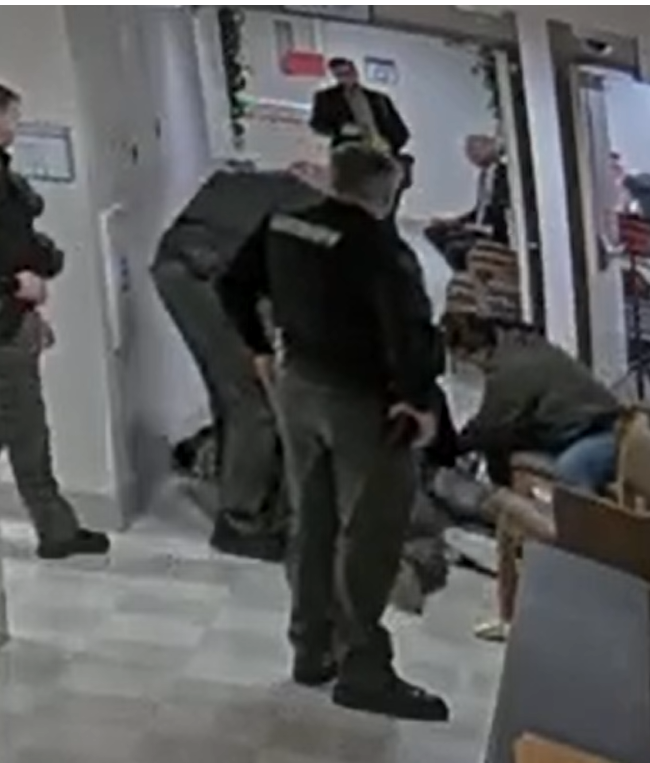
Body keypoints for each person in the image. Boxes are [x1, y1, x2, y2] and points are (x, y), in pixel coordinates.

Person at [218, 144, 449, 722]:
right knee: (369, 533)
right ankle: (363, 667)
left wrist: (257, 348)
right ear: (384, 191)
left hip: (297, 388)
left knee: (312, 521)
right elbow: (408, 333)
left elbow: (232, 282)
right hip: (361, 404)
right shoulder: (381, 249)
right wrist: (418, 401)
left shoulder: (284, 223)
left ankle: (311, 647)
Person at [0, 79, 109, 560]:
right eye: (13, 114)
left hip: (6, 313)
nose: (17, 125)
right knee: (23, 426)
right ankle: (55, 529)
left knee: (4, 422)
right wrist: (15, 283)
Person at [152, 164, 323, 562]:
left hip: (182, 265)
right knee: (254, 402)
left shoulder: (273, 185)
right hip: (205, 275)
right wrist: (263, 352)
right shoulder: (312, 216)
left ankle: (245, 497)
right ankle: (241, 524)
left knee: (233, 394)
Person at [443, 311, 623, 493]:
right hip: (574, 429)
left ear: (470, 353)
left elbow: (490, 423)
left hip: (602, 432)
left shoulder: (511, 368)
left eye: (464, 361)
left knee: (569, 473)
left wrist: (452, 446)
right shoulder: (519, 343)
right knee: (503, 445)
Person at [425, 135, 510, 268]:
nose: (472, 156)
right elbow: (478, 210)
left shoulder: (503, 172)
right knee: (432, 231)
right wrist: (456, 222)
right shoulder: (483, 177)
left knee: (454, 250)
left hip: (493, 230)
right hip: (478, 226)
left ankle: (471, 270)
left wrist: (472, 227)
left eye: (475, 149)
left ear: (489, 145)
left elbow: (499, 209)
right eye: (469, 153)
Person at [309, 57, 410, 157]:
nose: (346, 77)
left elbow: (399, 129)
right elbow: (317, 124)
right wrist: (340, 129)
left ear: (355, 71)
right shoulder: (326, 98)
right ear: (335, 76)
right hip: (349, 152)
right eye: (340, 74)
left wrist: (392, 145)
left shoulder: (378, 98)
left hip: (382, 152)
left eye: (348, 72)